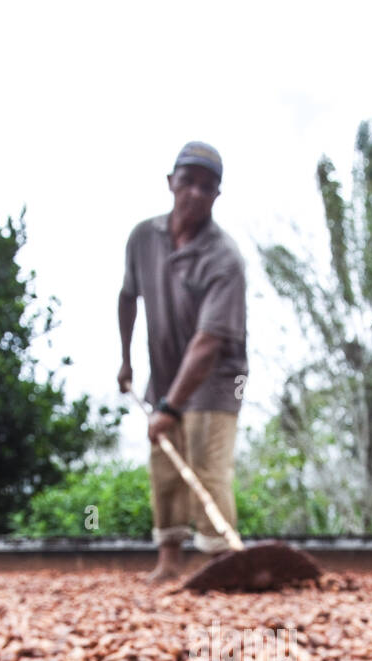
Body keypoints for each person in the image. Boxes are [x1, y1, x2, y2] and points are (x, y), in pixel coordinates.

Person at [117, 142, 248, 582]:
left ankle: (220, 563)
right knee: (166, 467)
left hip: (216, 378)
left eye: (207, 186)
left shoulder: (224, 258)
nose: (195, 192)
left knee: (206, 466)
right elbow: (127, 297)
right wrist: (126, 362)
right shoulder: (142, 238)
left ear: (217, 195)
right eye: (187, 181)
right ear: (171, 181)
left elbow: (209, 343)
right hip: (165, 372)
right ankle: (170, 562)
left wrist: (171, 408)